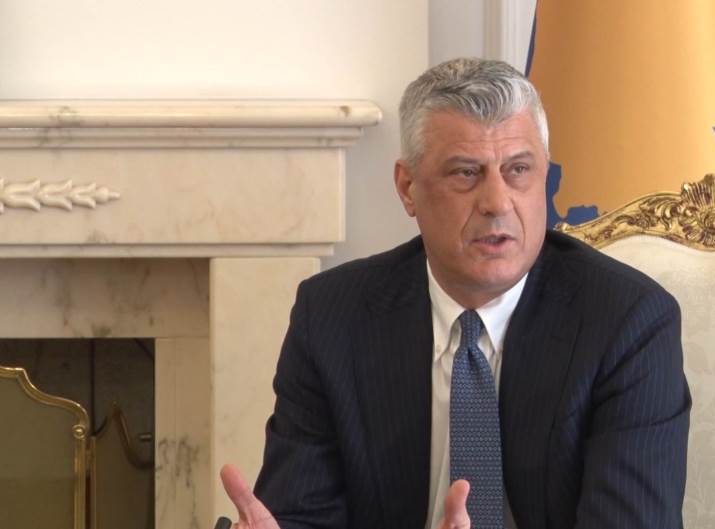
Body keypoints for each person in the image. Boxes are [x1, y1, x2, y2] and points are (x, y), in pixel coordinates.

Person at [219, 57, 690, 529]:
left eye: (518, 169)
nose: (497, 203)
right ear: (408, 188)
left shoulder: (626, 322)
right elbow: (304, 515)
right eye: (466, 173)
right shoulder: (332, 317)